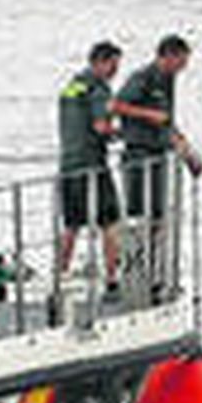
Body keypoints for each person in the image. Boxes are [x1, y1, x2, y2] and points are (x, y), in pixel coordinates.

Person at [114, 34, 200, 298]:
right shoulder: (143, 78)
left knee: (159, 217)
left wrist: (187, 152)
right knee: (137, 215)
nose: (183, 67)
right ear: (168, 56)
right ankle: (130, 270)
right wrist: (148, 114)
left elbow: (167, 121)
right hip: (138, 155)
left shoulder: (168, 81)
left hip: (159, 156)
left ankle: (153, 272)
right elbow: (117, 105)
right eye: (181, 61)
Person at [57, 40, 123, 288]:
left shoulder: (72, 87)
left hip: (68, 165)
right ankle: (112, 277)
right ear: (99, 62)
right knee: (110, 221)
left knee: (72, 224)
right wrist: (123, 134)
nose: (115, 71)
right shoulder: (99, 89)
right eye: (113, 65)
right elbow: (101, 127)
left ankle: (60, 274)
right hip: (93, 166)